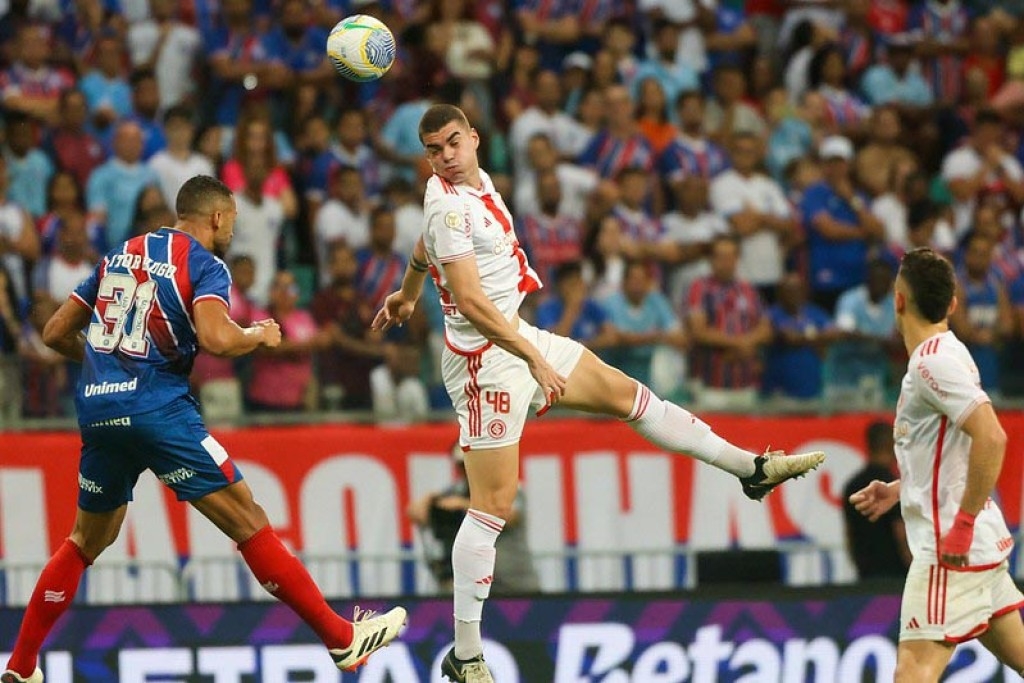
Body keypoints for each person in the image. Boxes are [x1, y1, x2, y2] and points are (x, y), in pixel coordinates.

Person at [372, 104, 825, 683]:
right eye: (434, 150)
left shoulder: (473, 184)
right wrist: (532, 358)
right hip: (486, 362)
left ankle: (750, 469)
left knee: (632, 397)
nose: (446, 157)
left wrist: (408, 292)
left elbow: (421, 249)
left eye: (453, 143)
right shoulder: (447, 206)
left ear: (474, 139)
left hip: (517, 337)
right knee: (493, 507)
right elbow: (474, 303)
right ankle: (465, 655)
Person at [1, 176, 406, 683]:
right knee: (248, 519)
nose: (231, 229)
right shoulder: (204, 263)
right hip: (159, 410)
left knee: (85, 539)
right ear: (217, 217)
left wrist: (111, 366)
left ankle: (20, 666)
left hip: (99, 412)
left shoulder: (117, 256)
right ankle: (342, 640)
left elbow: (54, 331)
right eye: (232, 220)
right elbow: (216, 337)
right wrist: (258, 334)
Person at [849, 247, 1024, 682]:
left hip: (951, 547)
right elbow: (951, 449)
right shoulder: (950, 351)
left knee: (911, 674)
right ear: (952, 304)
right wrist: (899, 488)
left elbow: (991, 436)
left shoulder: (931, 364)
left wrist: (961, 524)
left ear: (899, 301)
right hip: (977, 542)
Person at [407, 441, 540, 595]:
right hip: (475, 587)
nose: (467, 471)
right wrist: (430, 498)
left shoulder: (506, 486)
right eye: (462, 466)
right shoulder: (456, 490)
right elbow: (416, 514)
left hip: (514, 584)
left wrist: (464, 505)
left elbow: (508, 516)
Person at [842, 420, 912, 579]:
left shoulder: (851, 486)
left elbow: (848, 535)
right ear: (891, 445)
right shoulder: (891, 488)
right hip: (896, 576)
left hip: (865, 576)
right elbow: (900, 532)